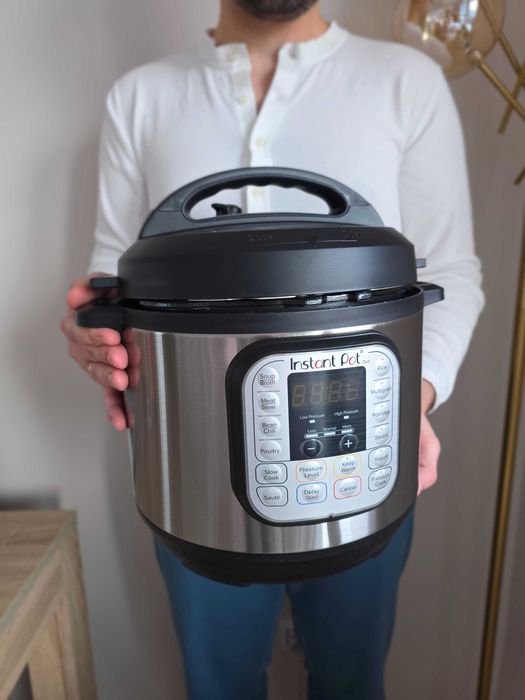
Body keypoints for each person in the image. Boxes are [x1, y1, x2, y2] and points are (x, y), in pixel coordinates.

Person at [61, 1, 484, 698]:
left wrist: (413, 395)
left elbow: (452, 271)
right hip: (193, 482)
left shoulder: (406, 80)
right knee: (218, 684)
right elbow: (111, 276)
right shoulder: (140, 95)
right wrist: (94, 332)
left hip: (366, 457)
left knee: (351, 680)